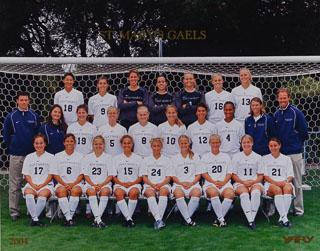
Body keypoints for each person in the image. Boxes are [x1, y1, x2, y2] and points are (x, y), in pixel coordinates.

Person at [3, 91, 40, 220]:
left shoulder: (34, 116)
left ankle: (32, 211)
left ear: (29, 101)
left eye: (26, 100)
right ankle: (14, 211)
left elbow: (37, 135)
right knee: (15, 184)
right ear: (17, 101)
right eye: (22, 100)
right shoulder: (11, 117)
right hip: (16, 155)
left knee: (33, 183)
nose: (24, 102)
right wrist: (14, 147)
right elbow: (6, 136)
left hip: (32, 156)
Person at [274, 88, 308, 217]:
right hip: (281, 155)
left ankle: (298, 209)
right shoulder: (276, 114)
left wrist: (295, 143)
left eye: (284, 97)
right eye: (280, 98)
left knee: (296, 182)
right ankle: (284, 209)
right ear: (277, 99)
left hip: (294, 153)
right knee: (282, 181)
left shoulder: (296, 113)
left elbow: (304, 132)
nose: (282, 100)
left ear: (289, 98)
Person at [22, 134, 55, 227]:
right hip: (32, 184)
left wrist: (42, 184)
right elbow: (26, 174)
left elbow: (51, 174)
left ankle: (33, 219)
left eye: (41, 143)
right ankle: (36, 219)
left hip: (46, 184)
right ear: (33, 144)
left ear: (45, 144)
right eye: (36, 143)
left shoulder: (51, 157)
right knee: (28, 193)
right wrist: (32, 184)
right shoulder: (29, 157)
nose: (39, 145)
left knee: (42, 195)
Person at [232, 135, 264, 229]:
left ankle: (251, 219)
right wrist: (243, 181)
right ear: (241, 144)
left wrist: (253, 182)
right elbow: (233, 175)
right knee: (244, 194)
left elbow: (261, 175)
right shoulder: (236, 157)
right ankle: (250, 220)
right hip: (240, 182)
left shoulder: (258, 157)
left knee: (256, 193)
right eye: (244, 142)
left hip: (255, 182)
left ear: (252, 143)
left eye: (248, 142)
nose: (246, 144)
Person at [83, 136, 115, 229]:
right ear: (93, 145)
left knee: (105, 191)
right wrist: (93, 185)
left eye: (100, 144)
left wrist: (102, 184)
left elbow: (110, 175)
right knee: (91, 192)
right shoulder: (87, 157)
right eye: (96, 144)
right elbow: (86, 175)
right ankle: (99, 220)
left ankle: (96, 220)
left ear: (104, 145)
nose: (98, 146)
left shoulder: (108, 157)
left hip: (104, 183)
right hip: (90, 184)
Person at [202, 134, 234, 227]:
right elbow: (204, 173)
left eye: (217, 142)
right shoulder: (205, 157)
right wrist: (213, 182)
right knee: (213, 193)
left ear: (220, 143)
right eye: (213, 142)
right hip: (210, 183)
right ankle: (222, 219)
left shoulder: (226, 156)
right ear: (209, 143)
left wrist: (223, 182)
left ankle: (218, 219)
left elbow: (229, 172)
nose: (215, 144)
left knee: (230, 194)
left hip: (224, 182)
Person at [261, 138, 294, 228]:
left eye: (275, 145)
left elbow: (290, 176)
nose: (273, 148)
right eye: (271, 146)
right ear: (268, 147)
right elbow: (265, 176)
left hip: (284, 182)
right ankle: (285, 219)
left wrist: (285, 181)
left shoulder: (286, 159)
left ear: (280, 145)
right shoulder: (264, 158)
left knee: (288, 188)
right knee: (277, 189)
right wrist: (275, 182)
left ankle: (282, 218)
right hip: (270, 184)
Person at [52, 133, 84, 227]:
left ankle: (68, 218)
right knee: (61, 191)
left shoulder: (80, 156)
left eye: (71, 141)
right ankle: (69, 218)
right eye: (67, 141)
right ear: (63, 143)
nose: (69, 143)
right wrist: (65, 184)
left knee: (75, 190)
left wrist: (73, 183)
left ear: (75, 143)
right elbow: (55, 173)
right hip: (62, 183)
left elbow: (82, 174)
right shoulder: (57, 156)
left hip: (77, 183)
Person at [140, 138, 172, 229]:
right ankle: (158, 220)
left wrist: (160, 185)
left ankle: (159, 220)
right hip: (150, 184)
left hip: (163, 184)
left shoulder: (167, 160)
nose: (156, 148)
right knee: (150, 193)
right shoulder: (146, 160)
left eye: (158, 146)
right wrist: (152, 185)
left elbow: (168, 177)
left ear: (161, 147)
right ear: (151, 147)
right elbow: (144, 177)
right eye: (154, 146)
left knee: (164, 191)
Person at [171, 135, 202, 227]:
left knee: (196, 193)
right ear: (178, 144)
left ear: (189, 143)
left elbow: (198, 174)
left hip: (193, 183)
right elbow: (173, 175)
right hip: (179, 184)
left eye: (186, 143)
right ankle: (188, 220)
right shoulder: (174, 158)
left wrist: (191, 183)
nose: (184, 145)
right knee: (178, 194)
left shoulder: (195, 156)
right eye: (182, 143)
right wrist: (181, 183)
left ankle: (186, 218)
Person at [113, 135, 143, 228]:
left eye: (129, 143)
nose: (127, 145)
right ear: (121, 145)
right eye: (125, 143)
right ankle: (129, 219)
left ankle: (128, 218)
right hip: (120, 184)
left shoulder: (138, 158)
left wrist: (133, 183)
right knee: (118, 193)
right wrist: (121, 183)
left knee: (133, 192)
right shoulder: (116, 158)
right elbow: (114, 175)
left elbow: (141, 176)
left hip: (134, 183)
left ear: (132, 144)